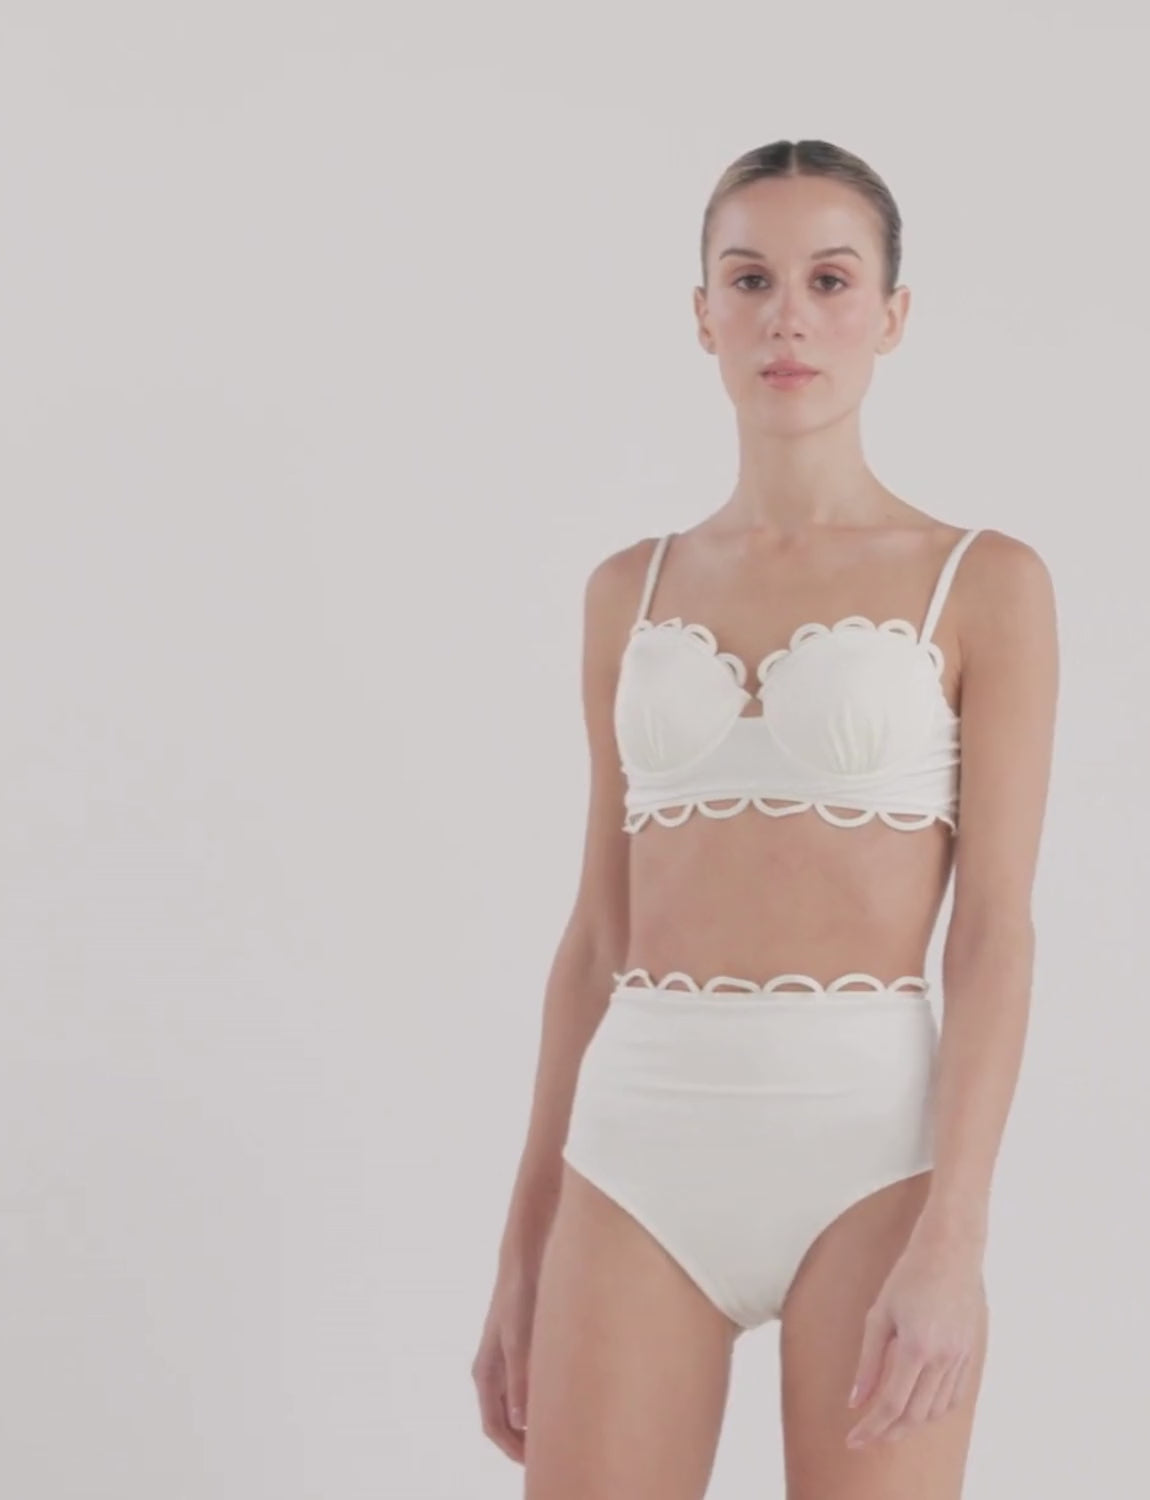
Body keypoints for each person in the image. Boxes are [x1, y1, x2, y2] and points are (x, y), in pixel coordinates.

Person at [471, 138, 1058, 1499]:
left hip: (870, 1149)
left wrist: (956, 1238)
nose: (788, 316)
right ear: (703, 315)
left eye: (829, 280)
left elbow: (994, 931)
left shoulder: (984, 582)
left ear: (890, 316)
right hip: (635, 1147)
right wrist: (522, 1240)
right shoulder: (628, 589)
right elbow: (595, 935)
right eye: (750, 280)